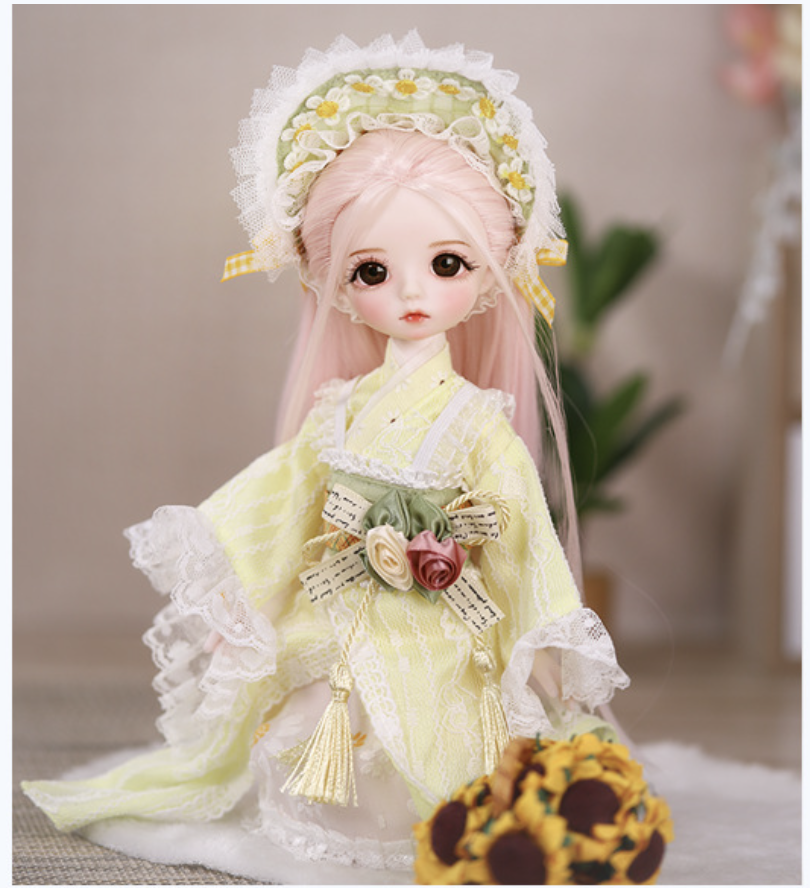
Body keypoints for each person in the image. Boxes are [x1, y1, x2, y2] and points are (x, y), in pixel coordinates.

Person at [23, 32, 629, 881]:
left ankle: (465, 815)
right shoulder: (339, 413)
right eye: (372, 271)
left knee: (457, 721)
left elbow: (523, 534)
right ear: (335, 283)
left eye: (446, 264)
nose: (411, 292)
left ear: (490, 274)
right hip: (342, 608)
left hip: (446, 624)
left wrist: (546, 644)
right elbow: (277, 502)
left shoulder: (478, 422)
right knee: (318, 714)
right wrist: (238, 603)